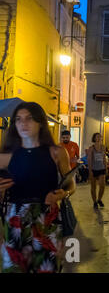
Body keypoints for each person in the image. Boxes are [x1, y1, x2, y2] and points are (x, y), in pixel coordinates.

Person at [0, 102, 75, 273]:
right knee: (14, 268)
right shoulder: (5, 156)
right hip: (15, 218)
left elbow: (71, 183)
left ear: (40, 122)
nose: (23, 123)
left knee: (46, 268)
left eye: (29, 119)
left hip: (47, 218)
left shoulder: (57, 152)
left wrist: (64, 193)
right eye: (18, 119)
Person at [88, 133, 107, 209]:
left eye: (100, 137)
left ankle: (99, 199)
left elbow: (104, 158)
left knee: (102, 186)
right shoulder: (91, 148)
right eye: (97, 137)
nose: (99, 138)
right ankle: (94, 202)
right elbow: (89, 160)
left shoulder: (103, 147)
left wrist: (106, 168)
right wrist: (90, 170)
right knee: (93, 187)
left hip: (101, 168)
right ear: (94, 138)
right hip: (94, 169)